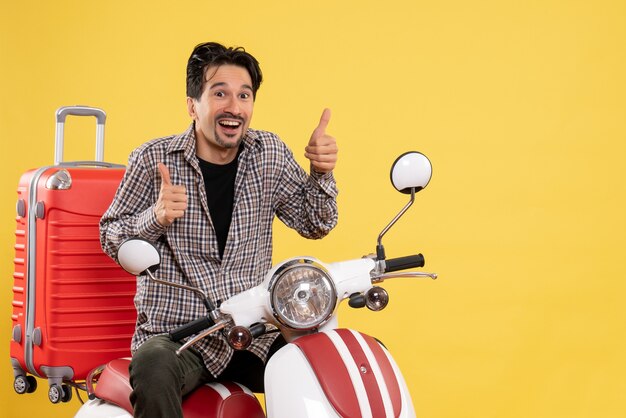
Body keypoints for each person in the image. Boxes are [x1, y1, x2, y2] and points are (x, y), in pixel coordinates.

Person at [99, 42, 338, 418]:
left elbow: (315, 223)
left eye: (244, 95)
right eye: (220, 93)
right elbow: (111, 235)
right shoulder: (152, 159)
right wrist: (156, 217)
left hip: (254, 332)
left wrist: (321, 173)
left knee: (336, 359)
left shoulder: (268, 154)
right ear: (193, 105)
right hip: (182, 336)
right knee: (153, 369)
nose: (234, 106)